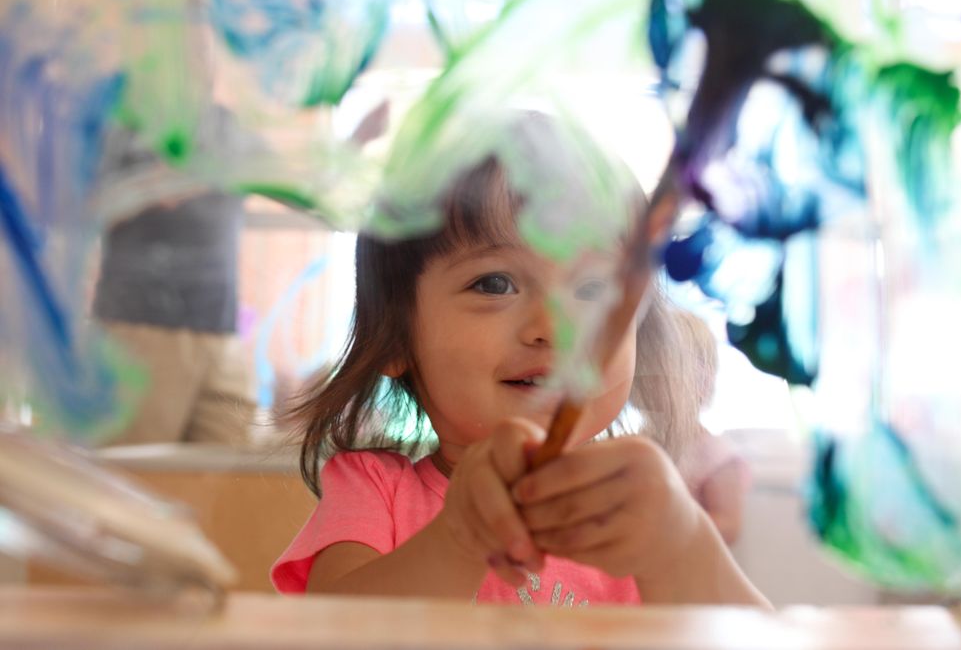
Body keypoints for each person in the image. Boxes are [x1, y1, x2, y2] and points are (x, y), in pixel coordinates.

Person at [271, 113, 768, 606]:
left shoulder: (642, 511)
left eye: (593, 289)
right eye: (494, 284)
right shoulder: (374, 491)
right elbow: (330, 631)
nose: (554, 329)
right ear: (395, 337)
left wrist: (682, 545)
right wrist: (458, 539)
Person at [92, 114, 256, 446]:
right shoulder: (120, 127)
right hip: (140, 331)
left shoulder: (231, 131)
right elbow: (77, 207)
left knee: (224, 477)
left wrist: (358, 140)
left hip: (221, 333)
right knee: (135, 475)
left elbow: (298, 182)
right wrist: (153, 186)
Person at [670, 308, 752, 546]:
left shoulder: (715, 453)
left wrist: (669, 524)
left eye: (670, 368)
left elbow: (729, 527)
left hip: (689, 571)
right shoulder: (637, 440)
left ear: (703, 381)